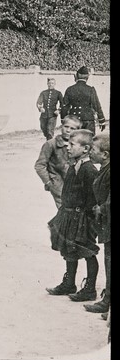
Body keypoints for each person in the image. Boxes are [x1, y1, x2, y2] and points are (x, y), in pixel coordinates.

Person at [46, 129, 100, 302]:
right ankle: (69, 283)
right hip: (70, 216)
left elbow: (93, 197)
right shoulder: (73, 165)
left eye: (72, 145)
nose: (68, 148)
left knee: (87, 251)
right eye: (67, 144)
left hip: (83, 219)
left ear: (85, 149)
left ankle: (90, 289)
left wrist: (88, 219)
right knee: (69, 250)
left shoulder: (88, 170)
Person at [84, 131, 110, 317]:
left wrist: (102, 208)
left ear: (105, 154)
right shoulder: (104, 169)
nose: (90, 152)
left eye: (93, 149)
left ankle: (107, 303)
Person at [34, 115, 82, 209]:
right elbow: (40, 165)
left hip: (73, 183)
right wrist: (48, 182)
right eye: (66, 127)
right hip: (57, 183)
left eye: (72, 128)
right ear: (61, 127)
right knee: (63, 210)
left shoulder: (78, 145)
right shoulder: (51, 144)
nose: (68, 130)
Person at [61, 66, 106, 134]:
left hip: (74, 120)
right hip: (88, 120)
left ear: (77, 76)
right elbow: (96, 105)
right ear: (87, 77)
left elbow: (64, 106)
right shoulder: (90, 90)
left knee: (74, 141)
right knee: (88, 141)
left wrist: (64, 120)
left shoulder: (70, 89)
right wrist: (101, 120)